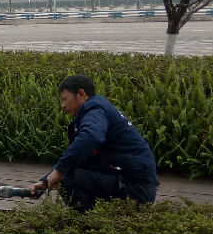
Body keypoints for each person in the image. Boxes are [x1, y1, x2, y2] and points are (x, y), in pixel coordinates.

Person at [28, 75, 158, 211]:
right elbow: (79, 157)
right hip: (133, 184)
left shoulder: (95, 110)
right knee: (68, 173)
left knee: (68, 179)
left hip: (136, 188)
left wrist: (59, 171)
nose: (63, 105)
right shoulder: (97, 110)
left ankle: (89, 220)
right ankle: (96, 218)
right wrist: (45, 181)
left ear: (81, 94)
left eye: (65, 99)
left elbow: (90, 138)